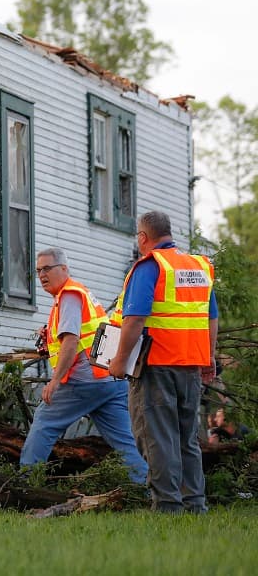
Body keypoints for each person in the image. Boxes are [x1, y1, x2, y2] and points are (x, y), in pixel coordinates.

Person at [108, 211, 218, 513]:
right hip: (191, 365)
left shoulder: (150, 266)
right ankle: (195, 504)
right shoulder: (199, 266)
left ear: (143, 238)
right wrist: (209, 357)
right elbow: (211, 318)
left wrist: (118, 361)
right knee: (186, 438)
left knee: (156, 437)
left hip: (155, 365)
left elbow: (134, 320)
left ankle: (168, 506)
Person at [20, 247, 148, 483]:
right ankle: (148, 488)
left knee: (44, 423)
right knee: (124, 441)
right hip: (110, 380)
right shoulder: (78, 294)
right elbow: (78, 338)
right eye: (38, 271)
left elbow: (71, 342)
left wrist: (55, 381)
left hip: (84, 382)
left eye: (47, 268)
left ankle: (25, 483)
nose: (42, 275)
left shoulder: (69, 295)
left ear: (64, 269)